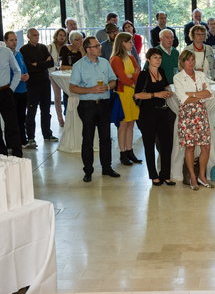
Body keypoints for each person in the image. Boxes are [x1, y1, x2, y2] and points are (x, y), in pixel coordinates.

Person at [69, 36, 119, 182]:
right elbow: (72, 87)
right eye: (96, 46)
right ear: (88, 49)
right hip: (87, 106)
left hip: (104, 104)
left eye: (98, 45)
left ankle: (107, 167)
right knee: (88, 139)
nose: (99, 48)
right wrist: (91, 90)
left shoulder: (104, 63)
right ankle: (88, 171)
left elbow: (113, 80)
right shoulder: (79, 65)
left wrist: (108, 86)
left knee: (105, 138)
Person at [134, 48, 176, 186]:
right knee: (149, 144)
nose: (158, 60)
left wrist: (167, 93)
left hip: (162, 112)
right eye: (155, 57)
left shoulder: (161, 72)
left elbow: (164, 88)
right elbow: (137, 95)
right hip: (147, 114)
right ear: (148, 59)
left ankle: (166, 174)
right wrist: (156, 94)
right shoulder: (143, 75)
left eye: (159, 57)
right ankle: (153, 175)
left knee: (167, 143)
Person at [173, 50, 214, 190]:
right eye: (188, 60)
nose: (191, 63)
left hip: (201, 114)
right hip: (187, 115)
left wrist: (193, 94)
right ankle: (192, 177)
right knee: (190, 147)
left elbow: (209, 93)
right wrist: (199, 95)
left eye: (192, 60)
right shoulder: (178, 77)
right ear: (182, 62)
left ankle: (202, 176)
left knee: (206, 146)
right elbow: (184, 100)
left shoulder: (201, 75)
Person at [20, 28, 58, 148]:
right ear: (28, 36)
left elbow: (51, 63)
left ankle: (47, 134)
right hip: (32, 84)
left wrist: (38, 63)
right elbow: (29, 67)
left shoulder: (43, 47)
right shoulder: (24, 50)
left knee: (46, 110)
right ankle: (31, 137)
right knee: (31, 111)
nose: (37, 37)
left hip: (45, 82)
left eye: (38, 35)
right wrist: (42, 63)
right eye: (34, 35)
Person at [109, 32, 142, 166]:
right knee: (123, 124)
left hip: (132, 93)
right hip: (122, 94)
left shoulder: (131, 57)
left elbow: (138, 73)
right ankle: (122, 153)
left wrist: (132, 76)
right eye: (129, 42)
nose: (132, 44)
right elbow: (122, 78)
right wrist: (132, 77)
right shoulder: (116, 59)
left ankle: (129, 150)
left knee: (131, 124)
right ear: (122, 43)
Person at [4, 31, 29, 148]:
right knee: (11, 120)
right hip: (11, 90)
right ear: (5, 41)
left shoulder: (18, 54)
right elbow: (6, 74)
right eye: (11, 40)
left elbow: (23, 68)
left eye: (15, 40)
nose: (14, 42)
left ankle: (23, 140)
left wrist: (26, 75)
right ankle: (12, 144)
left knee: (21, 116)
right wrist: (19, 77)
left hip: (22, 90)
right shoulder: (5, 55)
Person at [0, 42, 22, 157]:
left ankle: (17, 155)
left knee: (12, 125)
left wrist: (11, 89)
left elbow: (17, 71)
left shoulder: (5, 51)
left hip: (5, 92)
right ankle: (2, 155)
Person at [47, 27, 67, 127]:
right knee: (57, 96)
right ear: (56, 36)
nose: (62, 37)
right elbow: (47, 62)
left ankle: (68, 114)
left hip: (65, 74)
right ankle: (60, 118)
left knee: (67, 94)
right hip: (53, 74)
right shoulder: (50, 47)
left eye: (64, 35)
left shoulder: (67, 47)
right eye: (60, 35)